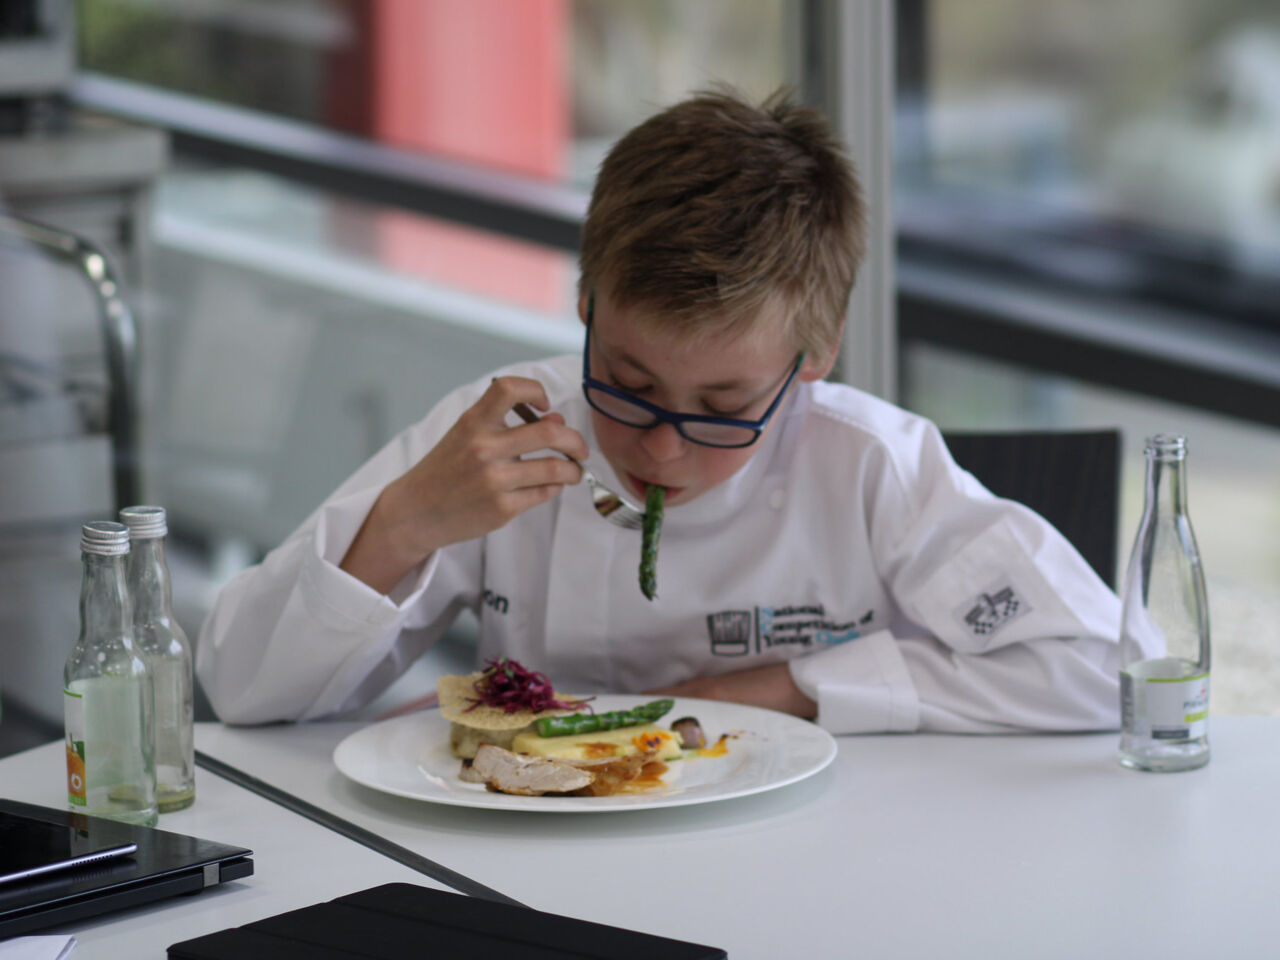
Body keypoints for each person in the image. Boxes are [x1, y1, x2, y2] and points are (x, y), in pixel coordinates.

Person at [197, 88, 1142, 733]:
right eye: (629, 384)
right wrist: (402, 527)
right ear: (585, 305)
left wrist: (786, 688)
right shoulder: (503, 433)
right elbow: (241, 689)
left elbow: (1114, 667)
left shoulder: (869, 467)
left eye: (723, 408)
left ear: (815, 358)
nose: (660, 448)